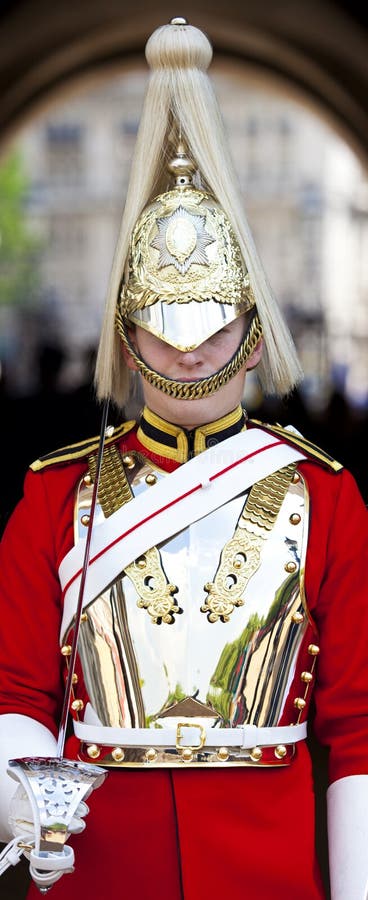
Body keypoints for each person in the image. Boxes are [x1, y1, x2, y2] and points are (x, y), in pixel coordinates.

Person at [0, 17, 368, 900]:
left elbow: (355, 732)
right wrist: (26, 808)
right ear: (127, 338)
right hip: (101, 870)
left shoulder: (329, 495)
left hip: (268, 871)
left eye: (213, 328)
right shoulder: (54, 498)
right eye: (164, 329)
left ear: (250, 332)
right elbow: (18, 692)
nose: (190, 354)